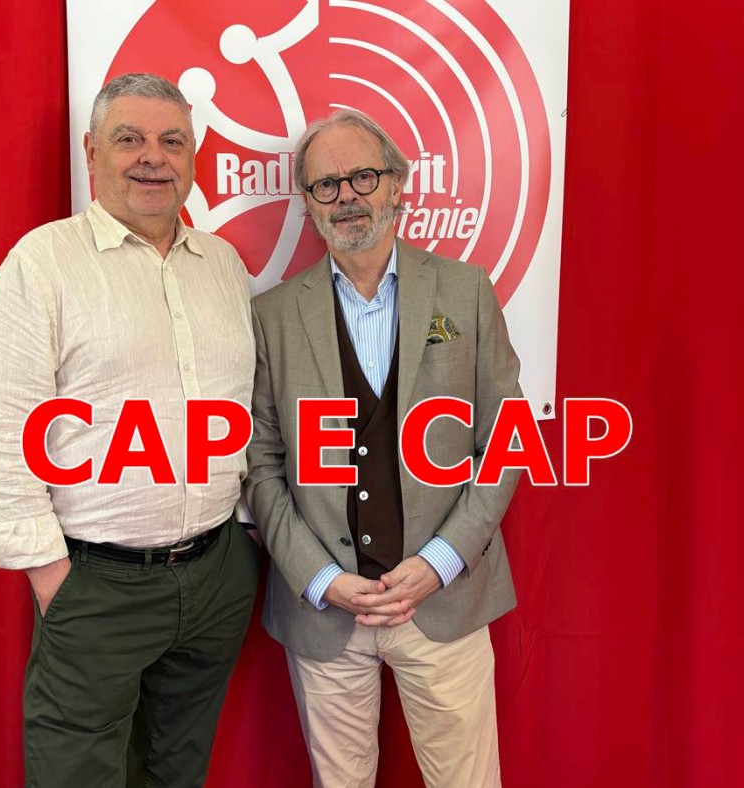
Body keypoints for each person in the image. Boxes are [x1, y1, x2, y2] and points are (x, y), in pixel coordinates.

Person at [0, 73, 260, 788]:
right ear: (92, 151)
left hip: (216, 574)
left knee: (177, 769)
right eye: (130, 139)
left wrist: (244, 536)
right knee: (79, 774)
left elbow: (244, 408)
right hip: (97, 582)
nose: (152, 157)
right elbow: (2, 430)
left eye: (172, 141)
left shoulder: (223, 265)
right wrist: (53, 579)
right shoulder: (42, 264)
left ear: (194, 157)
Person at [245, 109, 522, 787]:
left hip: (446, 601)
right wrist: (321, 578)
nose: (346, 197)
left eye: (363, 177)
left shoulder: (466, 291)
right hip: (325, 613)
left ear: (397, 183)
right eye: (325, 184)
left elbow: (505, 439)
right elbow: (261, 465)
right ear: (307, 203)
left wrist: (439, 562)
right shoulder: (271, 315)